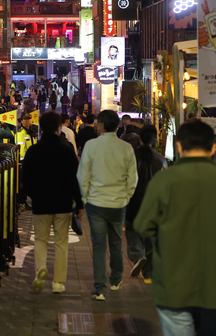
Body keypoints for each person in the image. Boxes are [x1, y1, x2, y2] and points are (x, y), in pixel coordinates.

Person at [134, 120, 216, 335]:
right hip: (215, 281)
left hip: (173, 281)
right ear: (212, 148)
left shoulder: (165, 180)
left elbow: (143, 226)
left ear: (179, 146)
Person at [76, 110, 138, 301]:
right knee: (116, 241)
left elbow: (82, 175)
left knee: (99, 245)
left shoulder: (91, 146)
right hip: (118, 202)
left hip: (96, 202)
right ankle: (116, 279)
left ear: (101, 125)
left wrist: (85, 198)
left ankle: (100, 288)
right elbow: (133, 177)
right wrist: (126, 197)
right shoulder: (126, 148)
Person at [23, 111, 84, 294]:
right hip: (63, 204)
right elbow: (75, 179)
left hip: (41, 203)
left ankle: (40, 269)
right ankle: (58, 282)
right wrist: (79, 203)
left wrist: (34, 196)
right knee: (61, 242)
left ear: (41, 128)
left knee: (40, 240)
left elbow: (26, 179)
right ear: (59, 128)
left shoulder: (33, 151)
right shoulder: (66, 152)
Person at [124, 125, 167, 280]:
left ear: (139, 138)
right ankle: (149, 272)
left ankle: (137, 255)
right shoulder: (161, 160)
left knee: (132, 230)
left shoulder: (131, 156)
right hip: (154, 206)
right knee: (152, 238)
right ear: (155, 139)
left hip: (133, 203)